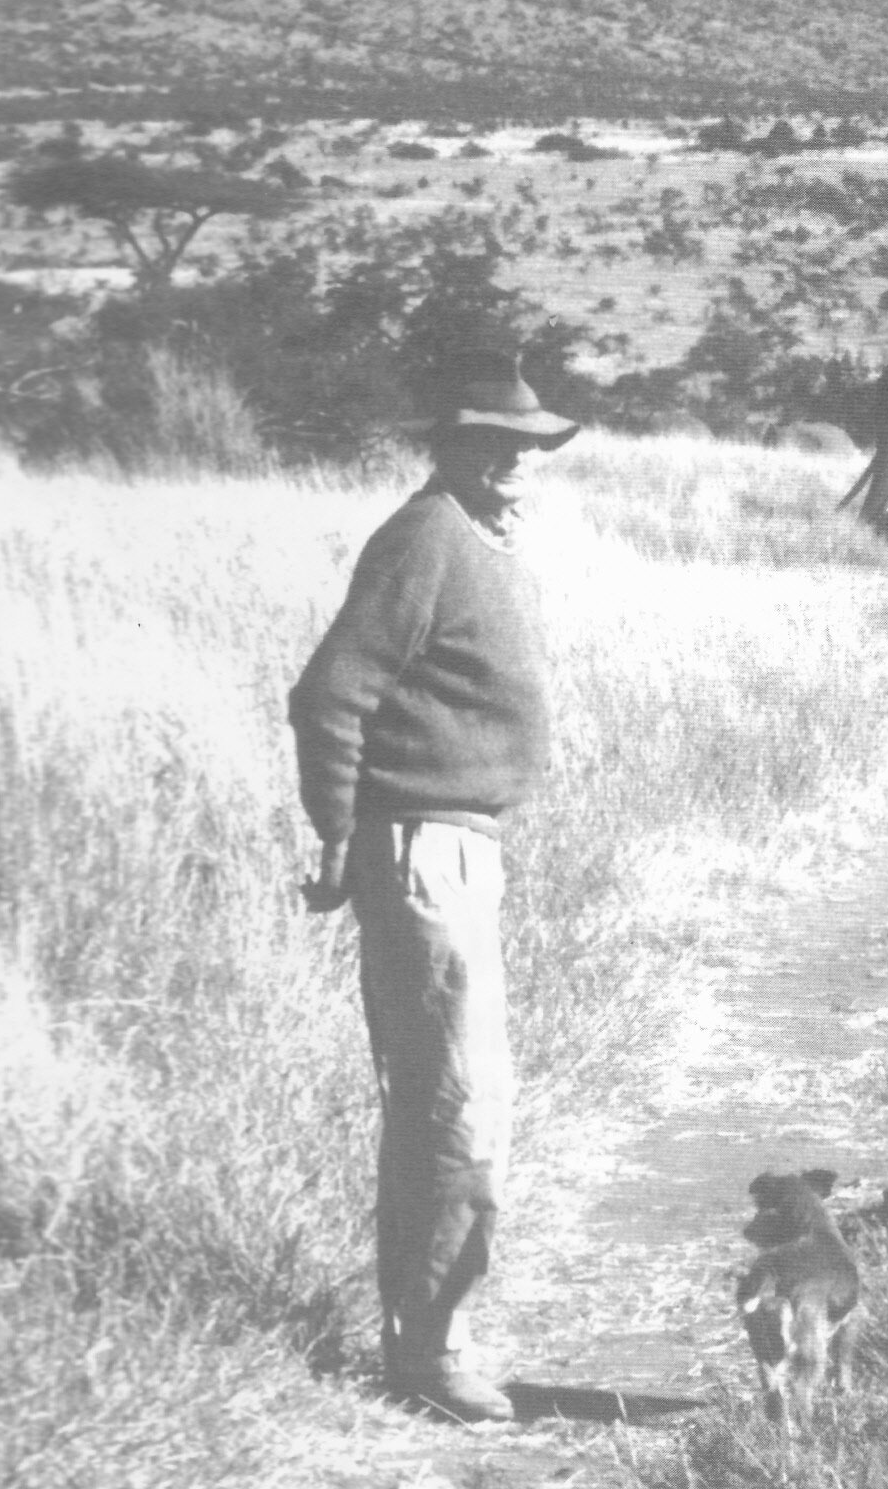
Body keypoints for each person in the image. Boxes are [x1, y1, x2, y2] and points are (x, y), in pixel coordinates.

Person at [288, 350, 578, 1423]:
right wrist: (334, 837)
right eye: (491, 443)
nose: (514, 463)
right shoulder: (424, 539)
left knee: (447, 1099)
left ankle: (427, 1337)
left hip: (455, 845)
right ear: (446, 447)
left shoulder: (476, 539)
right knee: (456, 1102)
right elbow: (330, 696)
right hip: (420, 850)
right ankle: (432, 1356)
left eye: (529, 447)